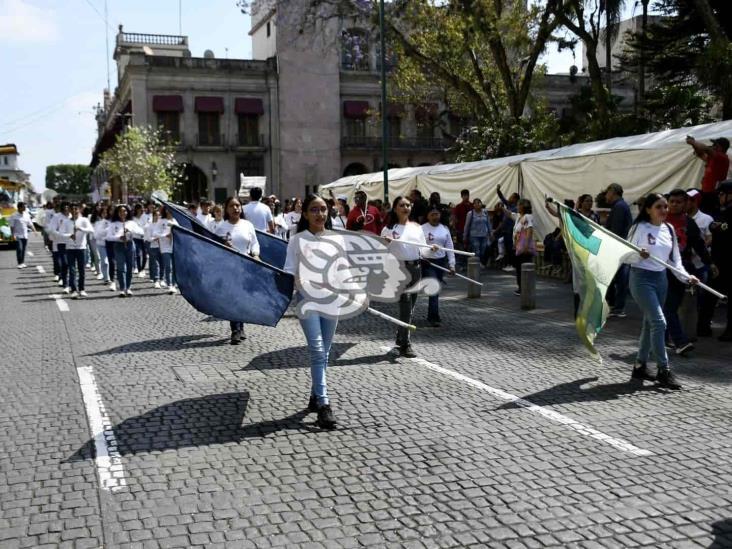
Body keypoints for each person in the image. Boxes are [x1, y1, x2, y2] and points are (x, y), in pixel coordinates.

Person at [626, 193, 699, 390]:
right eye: (659, 206)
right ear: (648, 209)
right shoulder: (639, 227)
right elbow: (625, 256)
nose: (664, 210)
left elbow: (675, 261)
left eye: (665, 206)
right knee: (659, 322)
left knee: (650, 324)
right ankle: (663, 370)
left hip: (661, 279)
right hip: (641, 278)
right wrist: (638, 254)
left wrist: (687, 277)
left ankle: (640, 366)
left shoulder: (669, 229)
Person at [283, 194, 338, 429]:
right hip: (307, 301)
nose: (320, 214)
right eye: (314, 210)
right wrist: (302, 281)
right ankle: (324, 405)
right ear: (305, 214)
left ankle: (316, 395)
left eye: (323, 209)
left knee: (324, 352)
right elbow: (288, 270)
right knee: (316, 349)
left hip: (332, 301)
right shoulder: (296, 240)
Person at [663, 189, 712, 355]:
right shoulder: (659, 220)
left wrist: (709, 263)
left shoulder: (689, 223)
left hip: (680, 271)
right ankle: (678, 341)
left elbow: (699, 245)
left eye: (679, 202)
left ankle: (669, 340)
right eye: (672, 201)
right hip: (659, 269)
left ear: (685, 204)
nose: (675, 205)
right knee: (665, 307)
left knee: (670, 307)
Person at [382, 196, 431, 357]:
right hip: (399, 270)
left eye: (408, 205)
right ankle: (406, 344)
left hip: (416, 268)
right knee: (405, 305)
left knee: (411, 307)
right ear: (395, 208)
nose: (405, 207)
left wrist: (433, 249)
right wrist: (386, 243)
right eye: (402, 205)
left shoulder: (416, 227)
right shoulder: (388, 229)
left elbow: (423, 250)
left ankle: (400, 336)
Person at [215, 196, 261, 345]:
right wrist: (223, 246)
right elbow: (214, 247)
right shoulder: (221, 227)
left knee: (243, 298)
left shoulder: (247, 225)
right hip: (229, 267)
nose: (235, 208)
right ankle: (235, 329)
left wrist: (255, 254)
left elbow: (254, 243)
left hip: (246, 266)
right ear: (227, 209)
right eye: (232, 206)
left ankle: (241, 326)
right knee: (233, 297)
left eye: (238, 205)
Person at [698, 180, 732, 341]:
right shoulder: (721, 210)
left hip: (728, 261)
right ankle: (703, 326)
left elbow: (719, 227)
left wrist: (718, 227)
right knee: (710, 294)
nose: (720, 197)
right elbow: (713, 226)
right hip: (718, 260)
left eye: (722, 194)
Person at [421, 205, 455, 327]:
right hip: (427, 262)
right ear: (427, 216)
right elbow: (418, 246)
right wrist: (428, 250)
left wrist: (452, 265)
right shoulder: (422, 229)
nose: (435, 217)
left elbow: (450, 247)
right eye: (432, 214)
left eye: (437, 214)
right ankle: (434, 317)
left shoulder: (444, 229)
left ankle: (432, 314)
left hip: (441, 262)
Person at [604, 183, 633, 318]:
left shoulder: (619, 207)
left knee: (619, 278)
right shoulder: (620, 206)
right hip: (621, 247)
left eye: (607, 192)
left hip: (618, 247)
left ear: (613, 192)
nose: (606, 196)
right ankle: (616, 305)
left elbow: (616, 230)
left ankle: (618, 307)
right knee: (619, 278)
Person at [686, 136, 730, 215]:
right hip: (707, 192)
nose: (713, 146)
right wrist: (694, 145)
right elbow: (700, 154)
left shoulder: (721, 157)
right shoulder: (713, 158)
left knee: (710, 213)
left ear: (720, 148)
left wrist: (693, 142)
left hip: (713, 194)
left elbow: (705, 148)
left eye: (715, 145)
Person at [107, 205, 144, 297]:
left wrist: (131, 230)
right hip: (118, 246)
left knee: (130, 267)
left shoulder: (131, 223)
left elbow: (141, 232)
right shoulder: (113, 224)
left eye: (125, 211)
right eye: (121, 211)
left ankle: (128, 287)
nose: (123, 213)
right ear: (118, 213)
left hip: (130, 245)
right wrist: (118, 237)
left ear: (127, 212)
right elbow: (108, 237)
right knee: (121, 267)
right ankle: (122, 288)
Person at [60, 203, 94, 298]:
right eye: (72, 209)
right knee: (72, 269)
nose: (74, 211)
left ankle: (82, 289)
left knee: (81, 269)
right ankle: (74, 290)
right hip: (70, 248)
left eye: (76, 209)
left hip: (81, 248)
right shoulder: (66, 221)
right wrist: (69, 235)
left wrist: (80, 228)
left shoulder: (84, 220)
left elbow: (91, 230)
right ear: (70, 211)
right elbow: (61, 234)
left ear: (79, 210)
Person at [509, 198, 536, 296]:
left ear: (523, 206)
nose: (517, 206)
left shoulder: (528, 217)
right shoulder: (519, 217)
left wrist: (526, 246)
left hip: (524, 248)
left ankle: (524, 288)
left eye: (518, 205)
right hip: (518, 247)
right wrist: (502, 209)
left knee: (523, 268)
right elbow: (509, 214)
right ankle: (521, 287)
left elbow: (530, 230)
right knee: (519, 268)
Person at [156, 206, 179, 295]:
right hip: (165, 247)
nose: (169, 212)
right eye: (167, 210)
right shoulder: (161, 221)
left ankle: (173, 284)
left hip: (175, 247)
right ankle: (169, 284)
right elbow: (155, 233)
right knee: (168, 266)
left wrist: (174, 234)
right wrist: (165, 235)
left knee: (174, 267)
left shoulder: (175, 222)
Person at [463, 198, 492, 268]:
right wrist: (465, 236)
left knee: (483, 250)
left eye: (479, 202)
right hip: (474, 235)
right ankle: (477, 264)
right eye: (476, 203)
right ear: (473, 205)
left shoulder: (485, 212)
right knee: (477, 250)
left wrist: (491, 233)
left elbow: (488, 223)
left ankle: (479, 262)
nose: (478, 204)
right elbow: (466, 225)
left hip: (484, 235)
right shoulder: (470, 213)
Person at [8, 202, 35, 268]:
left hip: (25, 235)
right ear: (19, 207)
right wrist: (12, 235)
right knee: (19, 248)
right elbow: (12, 226)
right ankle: (19, 263)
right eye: (24, 207)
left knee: (23, 249)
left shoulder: (26, 215)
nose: (25, 208)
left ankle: (22, 262)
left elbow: (30, 224)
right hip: (17, 235)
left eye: (25, 207)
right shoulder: (14, 215)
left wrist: (35, 230)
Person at [91, 207, 111, 285]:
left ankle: (111, 276)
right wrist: (104, 235)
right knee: (105, 261)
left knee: (111, 262)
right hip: (101, 244)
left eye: (106, 213)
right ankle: (106, 278)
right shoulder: (98, 223)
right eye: (103, 213)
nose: (105, 214)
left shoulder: (112, 222)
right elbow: (96, 235)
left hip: (111, 245)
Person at [145, 208, 162, 288]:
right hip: (153, 246)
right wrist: (155, 239)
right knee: (155, 264)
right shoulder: (150, 226)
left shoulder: (162, 225)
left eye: (159, 215)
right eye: (156, 215)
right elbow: (148, 238)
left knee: (162, 263)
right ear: (153, 216)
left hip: (162, 246)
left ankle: (162, 278)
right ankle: (156, 280)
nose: (157, 217)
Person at [131, 203, 147, 277]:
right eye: (141, 208)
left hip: (144, 238)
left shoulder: (145, 217)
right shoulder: (133, 218)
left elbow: (147, 226)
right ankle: (139, 269)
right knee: (137, 254)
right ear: (137, 209)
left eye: (143, 208)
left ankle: (143, 268)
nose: (142, 210)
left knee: (145, 254)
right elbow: (133, 228)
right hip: (136, 238)